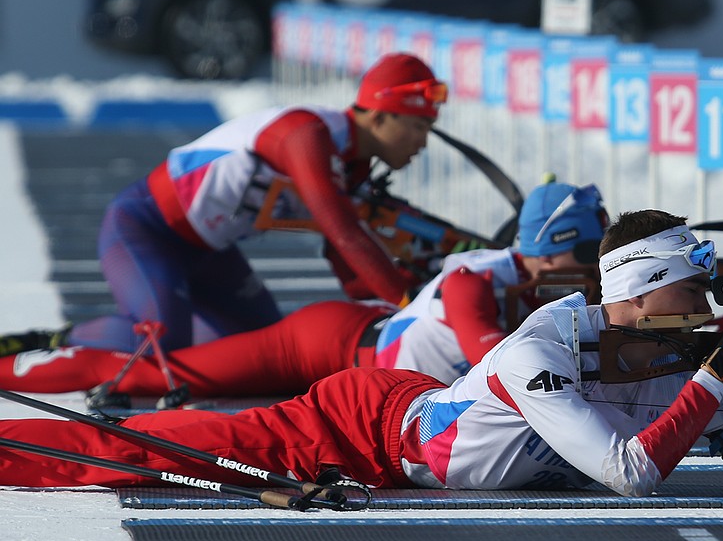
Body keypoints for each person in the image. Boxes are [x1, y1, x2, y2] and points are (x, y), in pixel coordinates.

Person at [0, 210, 723, 496]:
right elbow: (629, 474)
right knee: (157, 444)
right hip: (363, 420)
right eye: (690, 287)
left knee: (169, 415)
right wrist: (711, 377)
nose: (707, 306)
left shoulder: (676, 358)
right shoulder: (548, 340)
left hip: (418, 407)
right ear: (632, 293)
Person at [0, 180, 608, 400]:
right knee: (158, 375)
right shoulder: (478, 280)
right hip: (326, 345)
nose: (596, 268)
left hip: (365, 352)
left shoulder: (534, 280)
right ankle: (11, 373)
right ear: (555, 244)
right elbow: (500, 367)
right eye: (590, 252)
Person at [63, 53, 448, 354]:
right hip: (145, 229)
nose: (423, 143)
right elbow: (343, 230)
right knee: (163, 343)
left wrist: (383, 316)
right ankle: (58, 341)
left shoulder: (354, 163)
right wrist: (409, 306)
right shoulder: (308, 135)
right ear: (381, 117)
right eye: (418, 127)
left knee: (259, 341)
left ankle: (164, 318)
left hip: (208, 250)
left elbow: (343, 259)